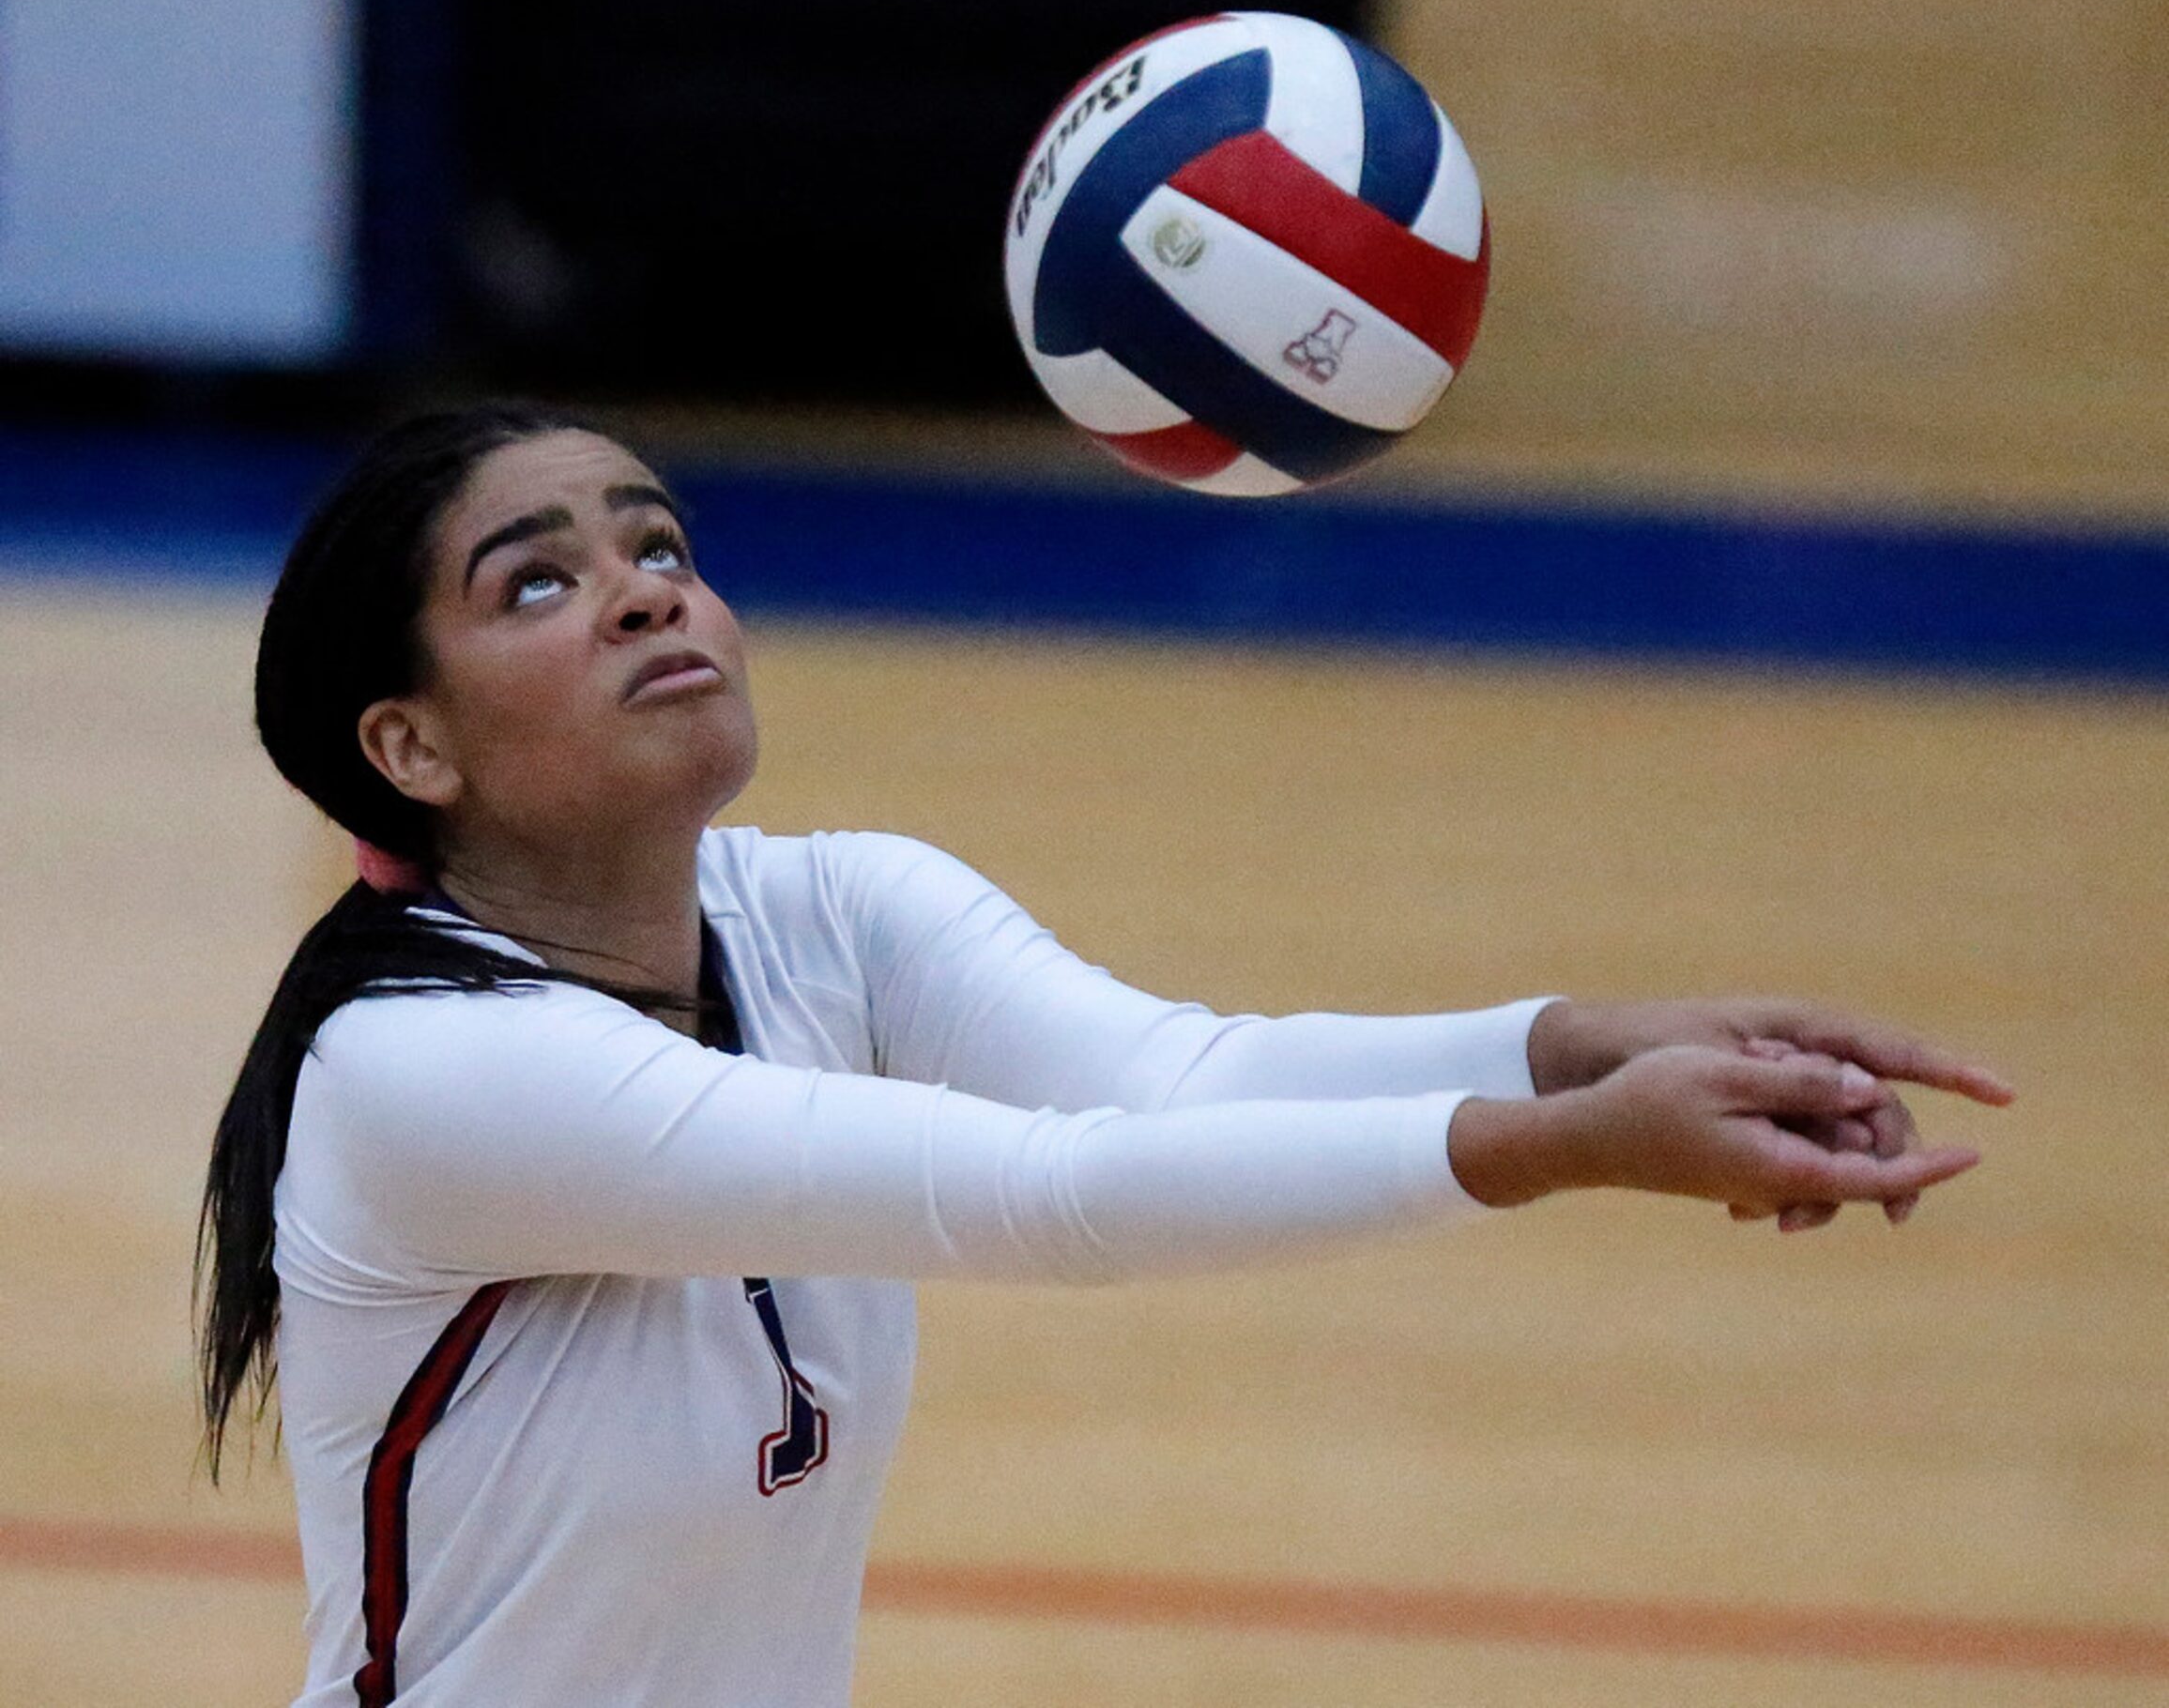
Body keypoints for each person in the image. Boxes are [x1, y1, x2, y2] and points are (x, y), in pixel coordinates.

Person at [199, 404, 2009, 1707]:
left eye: (658, 544)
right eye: (537, 584)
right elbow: (1050, 1196)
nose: (646, 593)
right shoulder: (419, 1073)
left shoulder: (838, 912)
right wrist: (1570, 1144)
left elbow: (1179, 1083)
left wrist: (1574, 1043)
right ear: (410, 749)